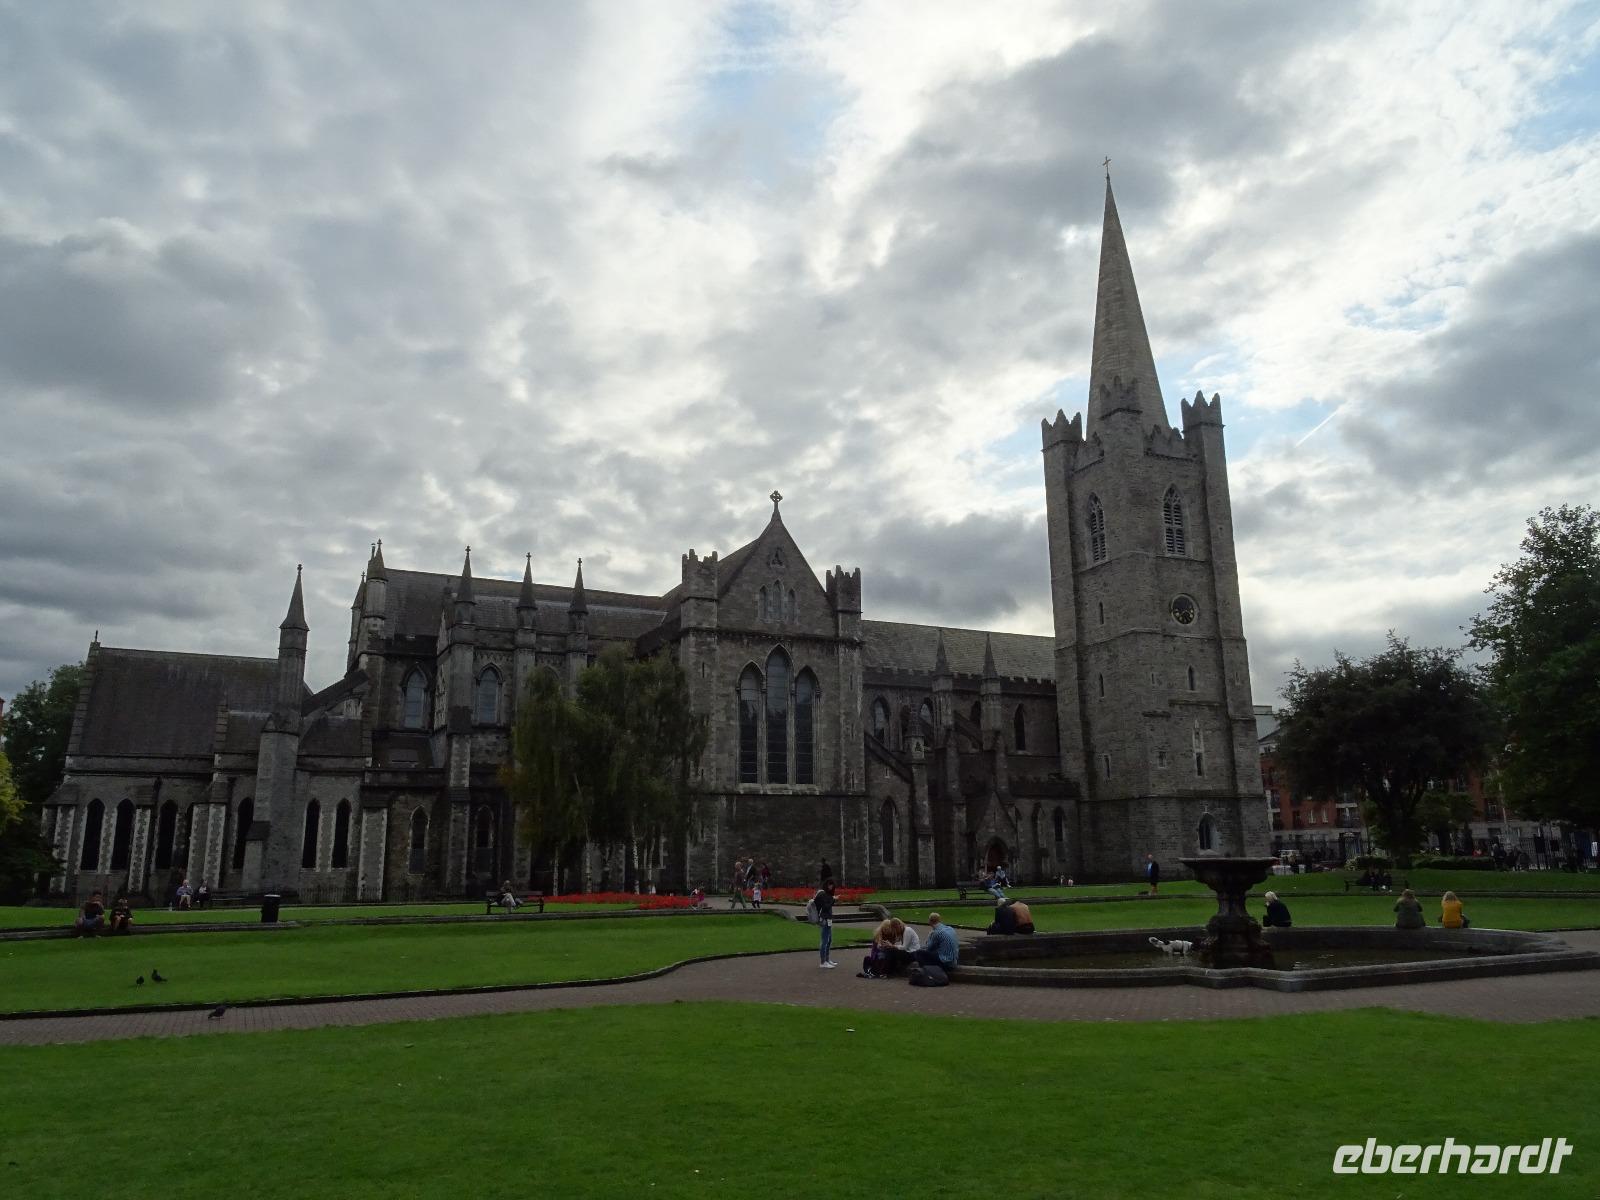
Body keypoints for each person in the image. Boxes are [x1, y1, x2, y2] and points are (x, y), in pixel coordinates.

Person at [811, 879, 838, 968]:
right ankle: (823, 962)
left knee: (829, 940)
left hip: (828, 919)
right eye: (830, 885)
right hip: (825, 919)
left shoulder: (827, 895)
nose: (831, 887)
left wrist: (832, 899)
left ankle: (827, 959)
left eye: (832, 885)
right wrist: (833, 900)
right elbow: (826, 907)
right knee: (825, 941)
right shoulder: (823, 895)